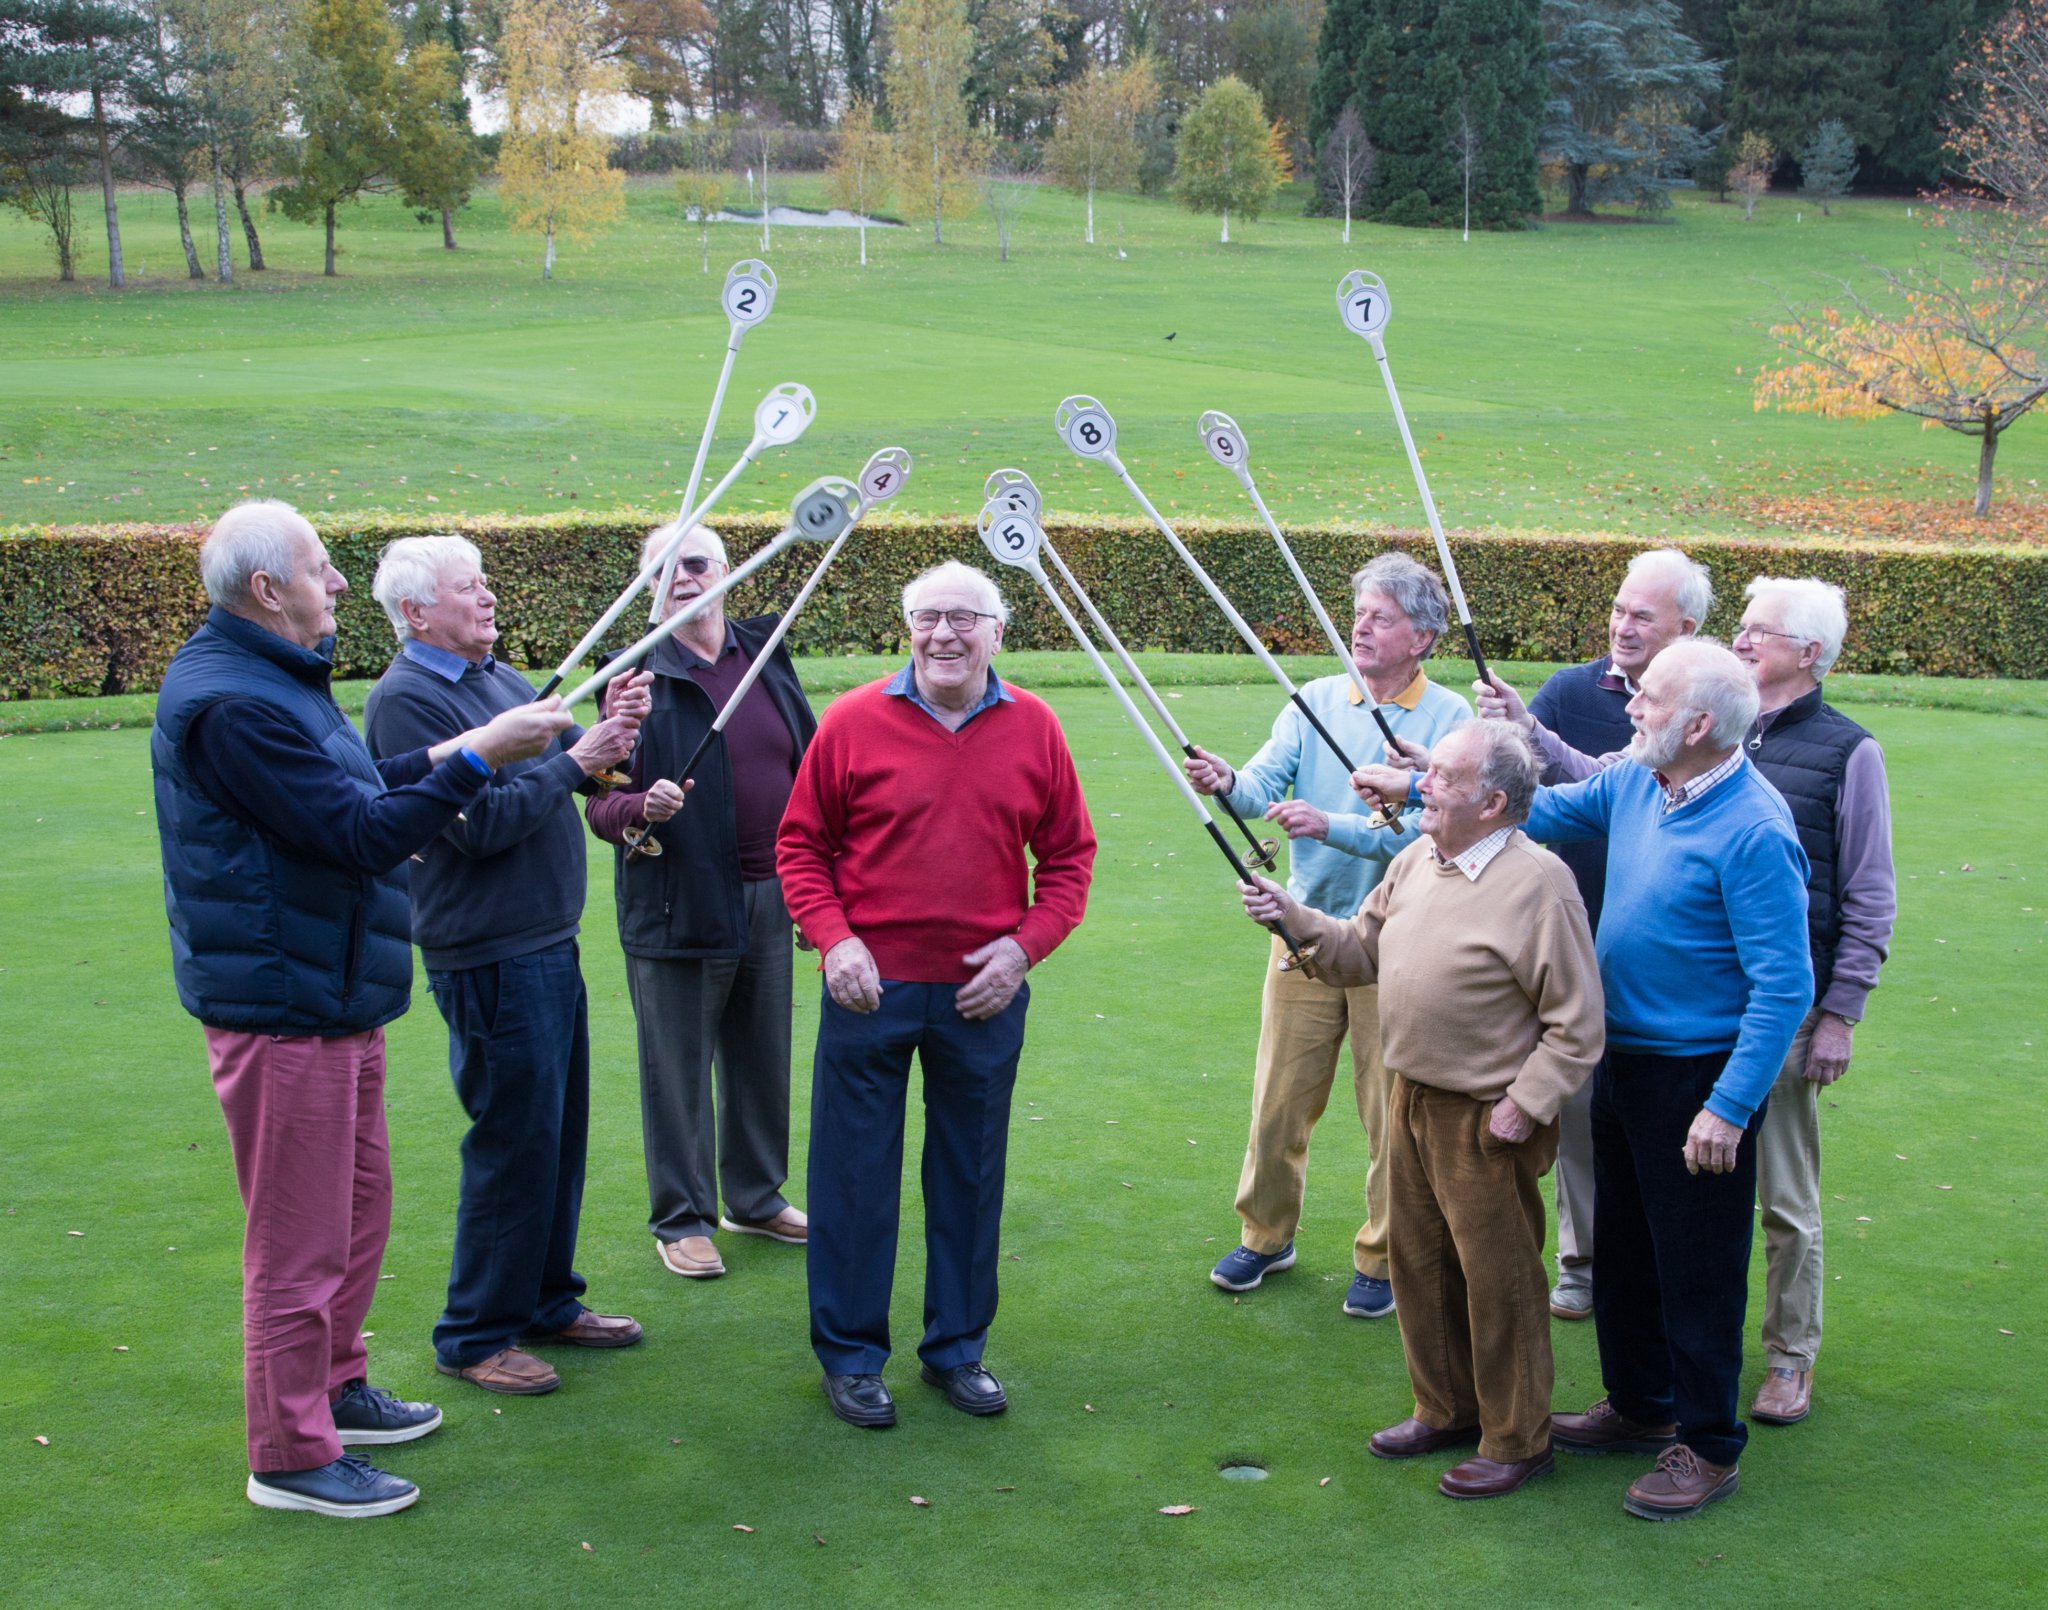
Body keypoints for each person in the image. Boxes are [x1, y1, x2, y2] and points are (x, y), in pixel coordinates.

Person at [150, 501, 570, 1517]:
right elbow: (357, 833)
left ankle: (334, 1385)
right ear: (267, 589)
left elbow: (357, 784)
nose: (339, 584)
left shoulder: (277, 681)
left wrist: (468, 746)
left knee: (354, 1210)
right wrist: (479, 757)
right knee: (296, 1241)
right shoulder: (232, 702)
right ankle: (290, 1453)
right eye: (321, 567)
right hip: (281, 1003)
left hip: (335, 993)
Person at [1358, 638, 1811, 1519]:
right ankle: (1641, 1407)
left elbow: (1785, 984)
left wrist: (1728, 1106)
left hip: (1699, 1079)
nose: (1631, 705)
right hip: (1623, 1062)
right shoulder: (1642, 779)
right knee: (1626, 1253)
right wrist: (1425, 789)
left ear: (1701, 724)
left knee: (1698, 1266)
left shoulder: (1755, 828)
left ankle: (1708, 1445)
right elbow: (1542, 811)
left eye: (1648, 698)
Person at [1241, 723, 1603, 1500]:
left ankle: (1517, 1440)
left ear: (1494, 801)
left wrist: (1524, 1104)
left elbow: (1578, 1024)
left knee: (1497, 1280)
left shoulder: (1541, 883)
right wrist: (1288, 914)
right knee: (1420, 1265)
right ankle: (1444, 1410)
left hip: (1486, 1116)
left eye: (1442, 776)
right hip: (1409, 1096)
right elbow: (1353, 953)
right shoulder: (1414, 860)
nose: (1423, 785)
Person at [776, 561, 1096, 1429]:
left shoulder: (1036, 727)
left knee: (969, 1174)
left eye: (964, 618)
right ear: (906, 626)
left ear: (1000, 630)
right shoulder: (850, 722)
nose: (944, 634)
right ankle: (850, 1357)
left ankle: (956, 1350)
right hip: (867, 989)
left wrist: (1025, 950)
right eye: (927, 617)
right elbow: (800, 848)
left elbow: (1069, 860)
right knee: (852, 1179)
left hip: (981, 996)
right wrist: (835, 940)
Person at [363, 536, 651, 1398]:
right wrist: (574, 758)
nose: (488, 598)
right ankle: (473, 1335)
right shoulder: (407, 699)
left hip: (545, 939)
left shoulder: (497, 679)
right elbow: (477, 823)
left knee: (555, 1136)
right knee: (511, 1139)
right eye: (467, 588)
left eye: (486, 582)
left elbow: (564, 772)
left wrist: (608, 733)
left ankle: (544, 1300)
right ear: (417, 612)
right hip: (486, 950)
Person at [1183, 552, 1470, 1318]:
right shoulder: (1312, 699)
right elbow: (1261, 785)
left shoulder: (1452, 722)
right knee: (1279, 1101)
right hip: (1304, 934)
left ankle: (1383, 1254)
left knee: (1390, 1114)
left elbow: (1428, 833)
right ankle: (1266, 1235)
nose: (1362, 628)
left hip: (1401, 943)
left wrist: (1333, 826)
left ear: (1424, 637)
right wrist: (1224, 782)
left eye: (1380, 617)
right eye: (1359, 615)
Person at [1482, 548, 1713, 1321]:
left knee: (1641, 1130)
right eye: (1618, 608)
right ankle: (1583, 1267)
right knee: (1579, 1117)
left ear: (1687, 627)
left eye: (1641, 615)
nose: (1622, 625)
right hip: (1566, 938)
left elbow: (1604, 782)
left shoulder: (1704, 722)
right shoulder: (1572, 690)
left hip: (1660, 968)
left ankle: (1640, 1279)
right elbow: (1527, 790)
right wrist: (1456, 767)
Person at [584, 520, 818, 1279]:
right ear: (650, 589)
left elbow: (811, 767)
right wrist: (636, 810)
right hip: (676, 901)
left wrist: (823, 886)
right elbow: (596, 801)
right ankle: (681, 1218)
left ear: (727, 571)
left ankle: (754, 1197)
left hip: (770, 891)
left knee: (762, 1056)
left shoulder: (763, 654)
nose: (686, 578)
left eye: (698, 563)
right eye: (667, 570)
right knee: (676, 1068)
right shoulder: (632, 677)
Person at [1733, 578, 1896, 1427]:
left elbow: (1869, 893)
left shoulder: (1848, 751)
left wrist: (1840, 1012)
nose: (1742, 640)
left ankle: (1790, 1359)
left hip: (1791, 1006)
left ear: (1811, 654)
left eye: (1762, 632)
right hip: (1706, 1000)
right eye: (1742, 626)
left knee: (1785, 1199)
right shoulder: (1717, 731)